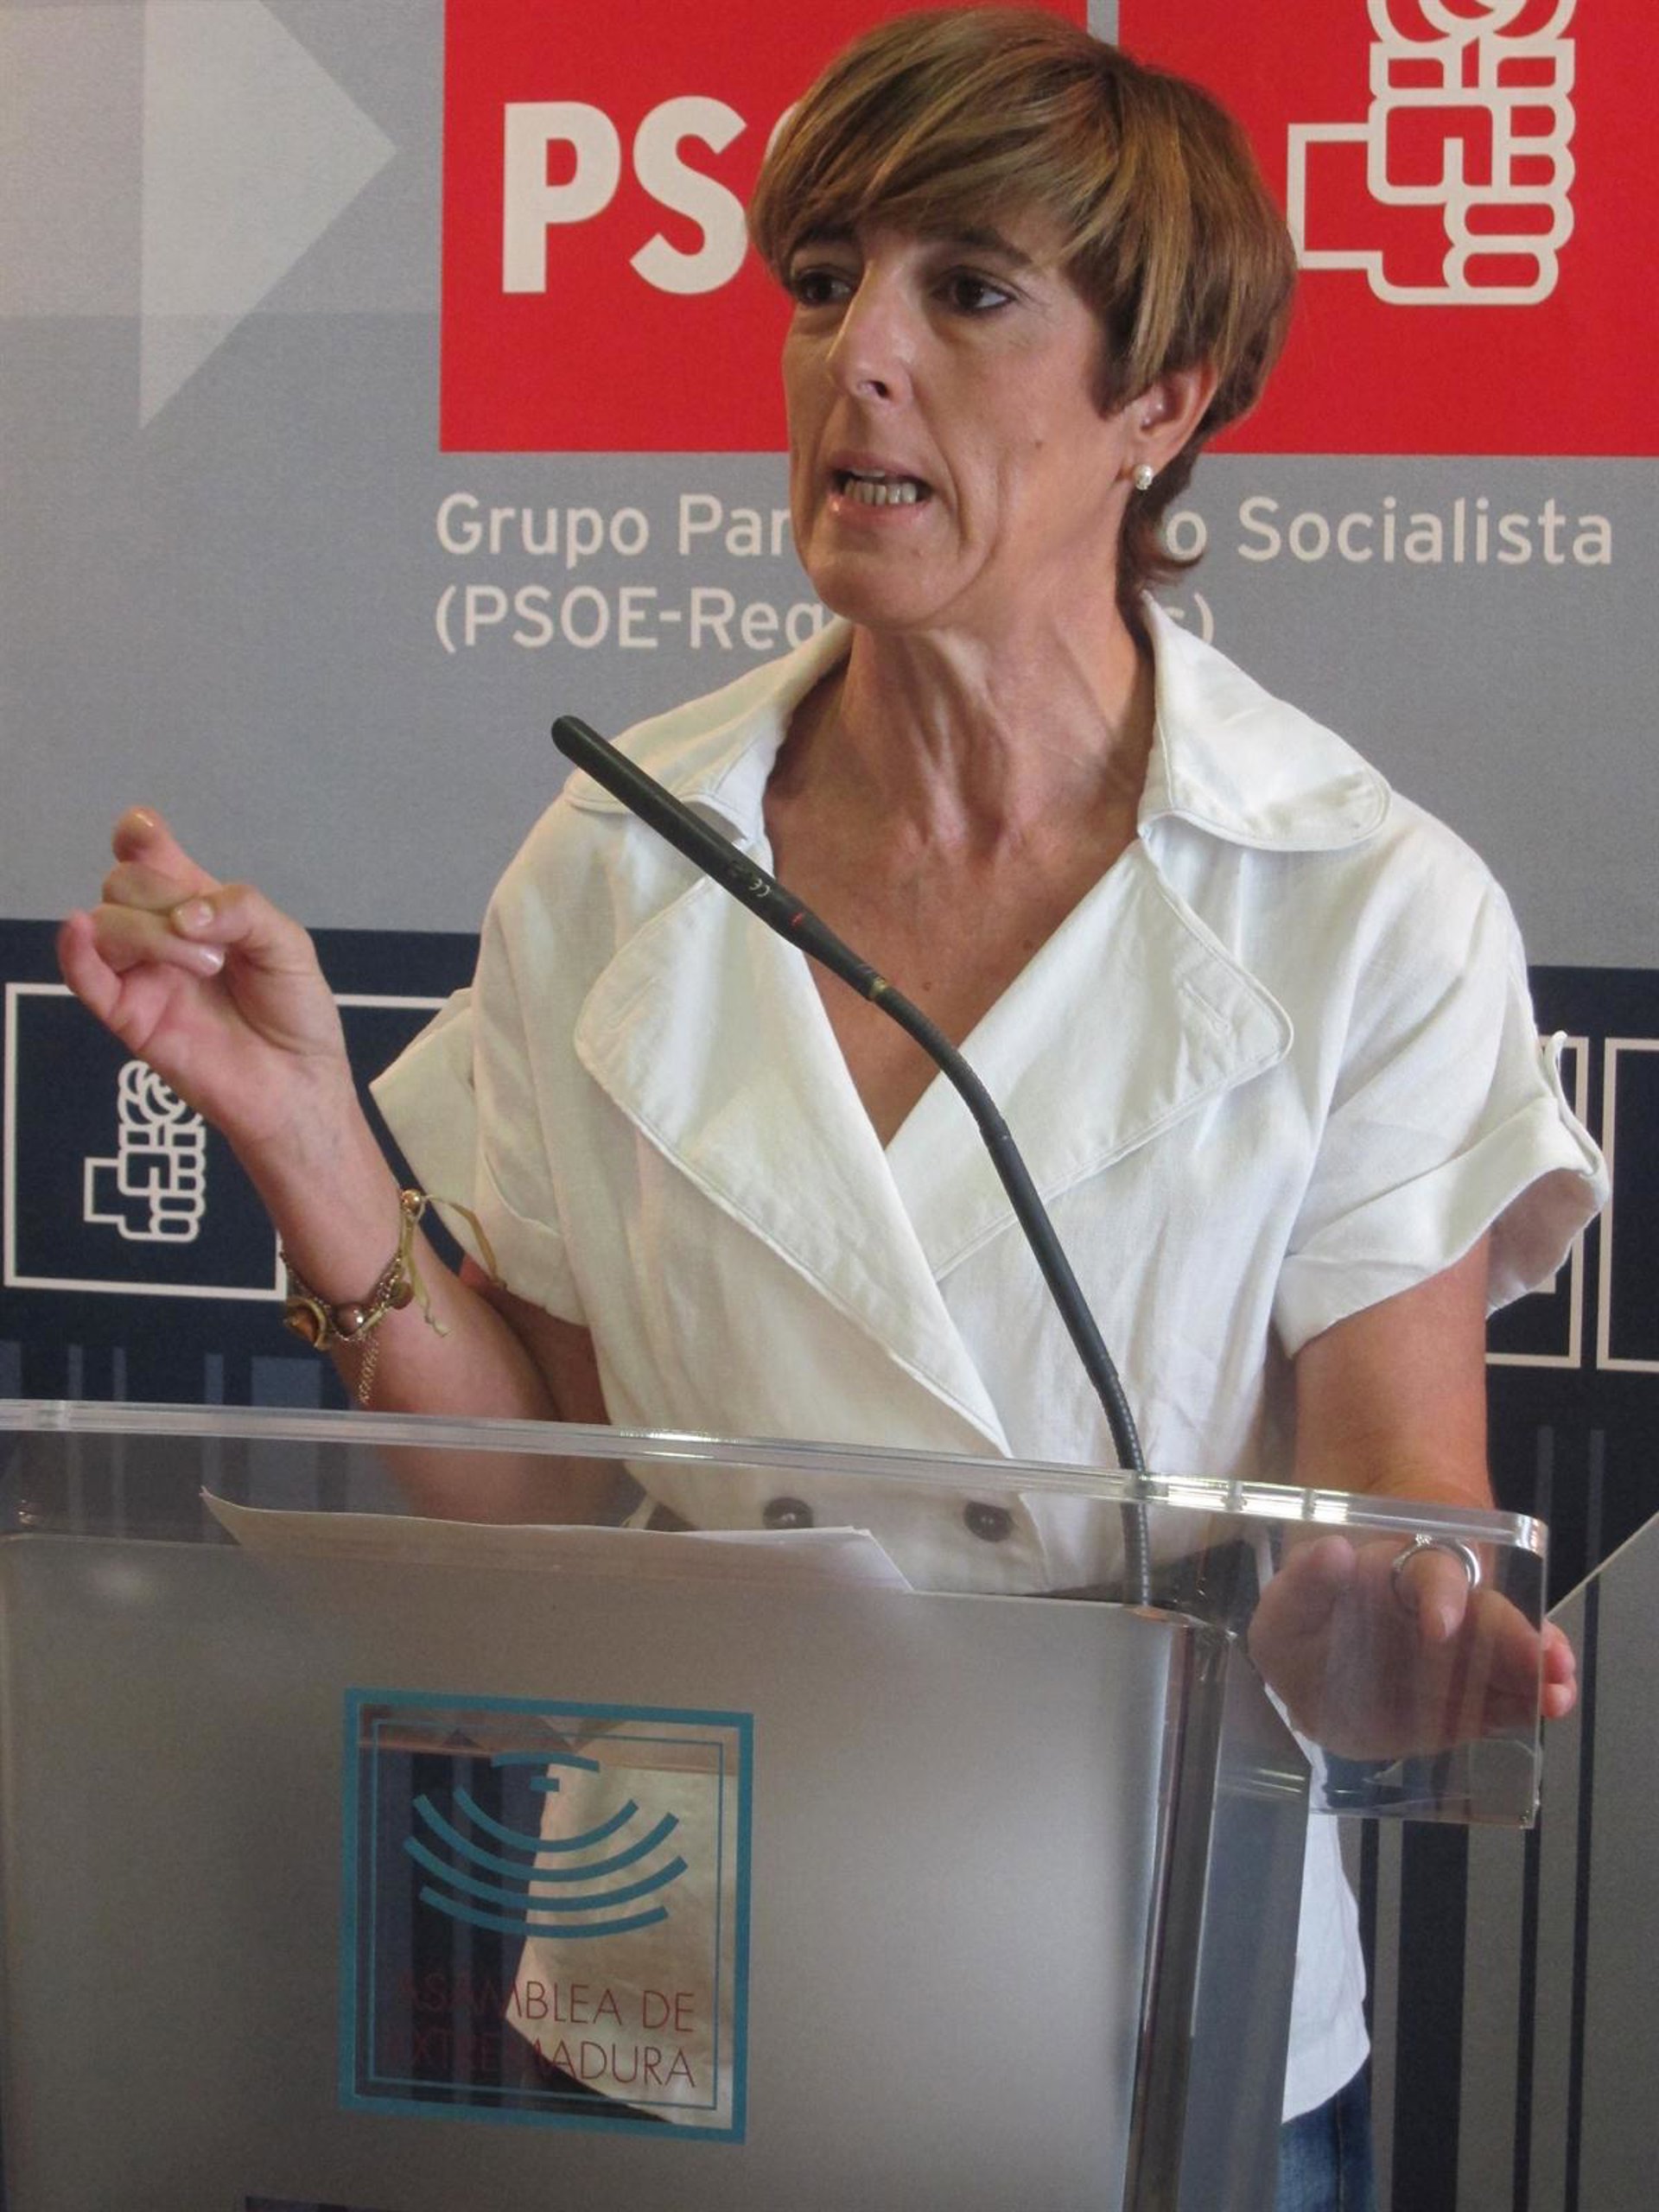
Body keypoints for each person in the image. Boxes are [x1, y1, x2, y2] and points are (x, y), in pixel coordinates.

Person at [60, 8, 1605, 2202]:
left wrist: (1378, 1623)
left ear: (1160, 405)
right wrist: (309, 1134)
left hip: (1142, 2000)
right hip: (675, 1987)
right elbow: (539, 1506)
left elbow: (1397, 1525)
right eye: (820, 281)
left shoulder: (1364, 899)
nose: (856, 355)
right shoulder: (620, 851)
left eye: (966, 291)